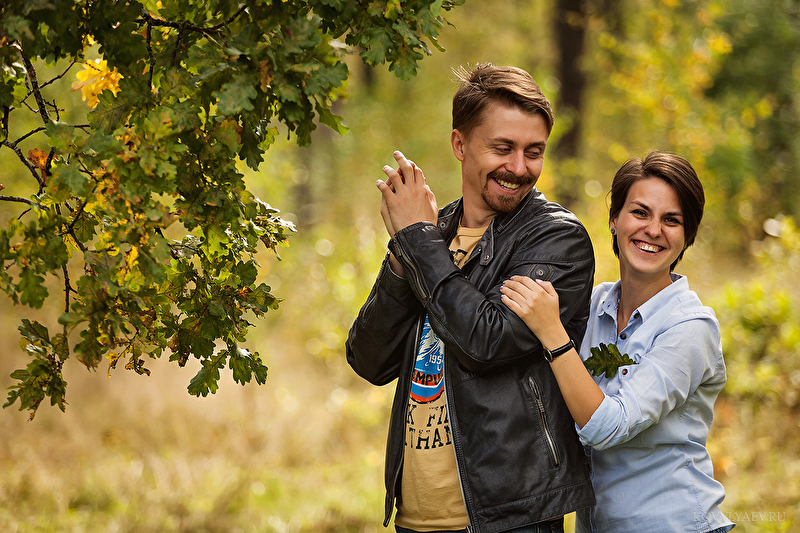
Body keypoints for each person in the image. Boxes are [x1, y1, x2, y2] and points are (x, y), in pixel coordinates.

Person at [346, 63, 596, 533]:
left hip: (510, 517)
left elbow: (487, 341)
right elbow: (369, 360)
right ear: (460, 145)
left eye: (534, 152)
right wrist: (403, 254)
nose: (519, 168)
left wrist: (418, 243)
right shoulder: (432, 233)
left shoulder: (555, 239)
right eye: (503, 148)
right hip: (417, 519)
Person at [500, 151, 735, 533]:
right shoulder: (592, 305)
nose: (653, 230)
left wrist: (552, 333)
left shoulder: (690, 328)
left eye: (671, 220)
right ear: (614, 220)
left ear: (687, 235)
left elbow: (608, 426)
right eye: (640, 212)